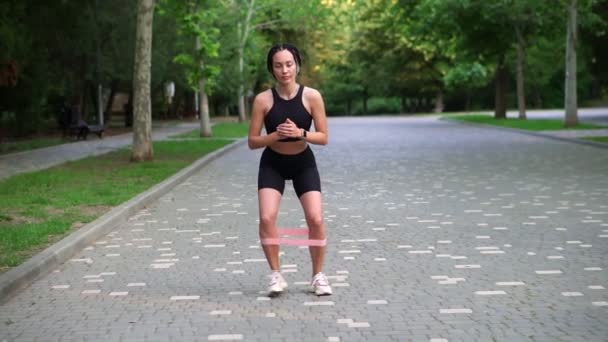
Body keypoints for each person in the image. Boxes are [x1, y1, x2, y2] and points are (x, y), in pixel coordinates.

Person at [248, 43, 332, 297]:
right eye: (278, 65)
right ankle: (276, 275)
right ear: (271, 69)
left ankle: (317, 276)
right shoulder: (263, 100)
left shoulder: (312, 96)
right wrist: (274, 136)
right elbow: (252, 141)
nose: (284, 70)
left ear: (297, 65)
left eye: (289, 64)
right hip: (272, 162)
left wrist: (300, 133)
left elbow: (324, 137)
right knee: (266, 218)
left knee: (315, 219)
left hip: (302, 162)